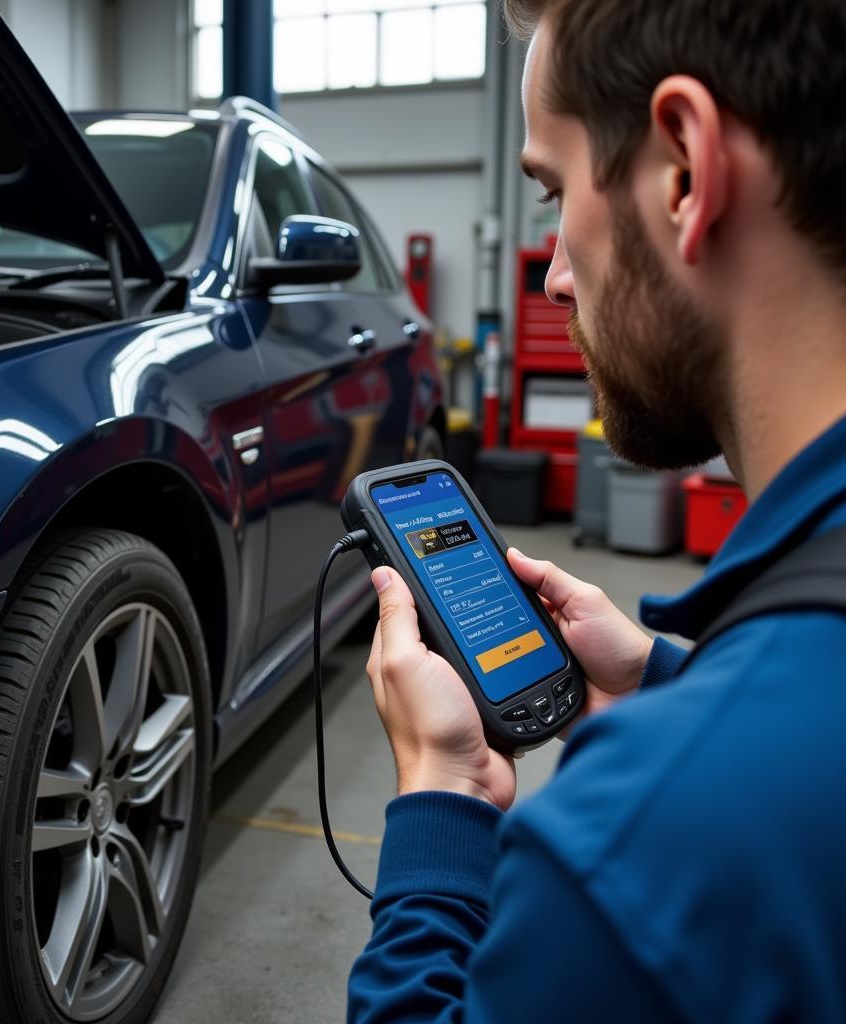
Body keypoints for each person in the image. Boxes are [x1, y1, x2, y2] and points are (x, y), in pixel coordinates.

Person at [347, 1, 846, 1020]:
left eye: (555, 193)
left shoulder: (651, 835)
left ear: (684, 173)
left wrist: (442, 800)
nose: (558, 278)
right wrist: (666, 676)